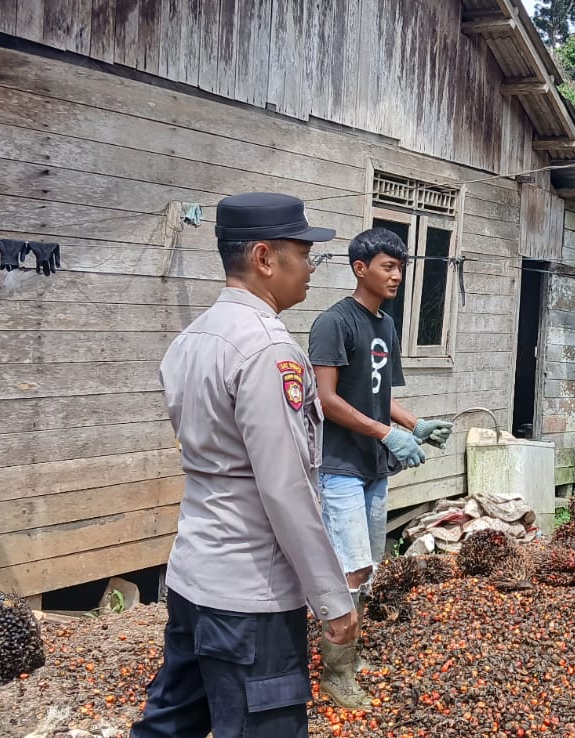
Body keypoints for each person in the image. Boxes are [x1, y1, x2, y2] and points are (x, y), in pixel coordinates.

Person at [131, 193, 354, 738]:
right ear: (263, 258)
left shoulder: (191, 339)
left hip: (193, 574)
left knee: (171, 725)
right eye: (305, 254)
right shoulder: (266, 350)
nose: (310, 268)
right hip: (251, 592)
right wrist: (331, 597)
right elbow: (285, 487)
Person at [306, 227, 454, 707]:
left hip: (373, 468)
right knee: (348, 570)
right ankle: (335, 673)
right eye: (389, 266)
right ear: (360, 269)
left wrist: (416, 423)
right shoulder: (334, 323)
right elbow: (326, 401)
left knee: (367, 567)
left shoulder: (385, 325)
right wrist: (388, 434)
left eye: (401, 266)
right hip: (340, 467)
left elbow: (381, 396)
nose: (398, 275)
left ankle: (350, 654)